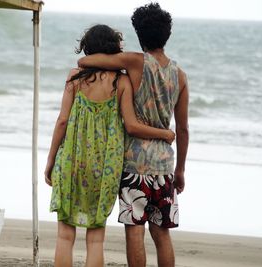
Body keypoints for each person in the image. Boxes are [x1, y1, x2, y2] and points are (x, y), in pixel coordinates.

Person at [44, 24, 175, 267]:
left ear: (89, 48)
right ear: (113, 50)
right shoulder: (122, 81)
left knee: (64, 236)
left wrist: (51, 161)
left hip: (71, 160)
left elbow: (62, 120)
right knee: (95, 240)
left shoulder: (74, 77)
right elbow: (130, 123)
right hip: (104, 167)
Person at [78, 3, 189, 267]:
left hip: (134, 163)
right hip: (164, 165)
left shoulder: (135, 62)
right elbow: (182, 129)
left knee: (135, 231)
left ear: (139, 34)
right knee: (162, 233)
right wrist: (181, 170)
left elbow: (85, 61)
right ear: (167, 34)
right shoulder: (180, 76)